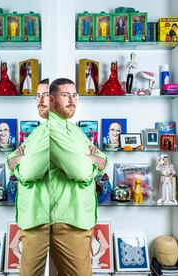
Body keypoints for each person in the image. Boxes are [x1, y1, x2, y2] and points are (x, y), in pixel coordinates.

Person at [49, 78, 107, 275]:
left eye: (75, 96)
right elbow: (82, 172)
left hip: (82, 218)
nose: (72, 100)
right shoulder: (53, 131)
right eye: (65, 95)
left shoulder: (74, 129)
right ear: (51, 100)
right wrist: (94, 162)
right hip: (67, 223)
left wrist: (91, 159)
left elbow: (103, 160)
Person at [7, 79, 50, 276]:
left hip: (40, 219)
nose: (40, 101)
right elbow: (11, 159)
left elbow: (26, 172)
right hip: (32, 216)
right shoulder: (37, 132)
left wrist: (19, 161)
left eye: (46, 95)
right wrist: (18, 159)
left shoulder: (52, 132)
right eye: (37, 96)